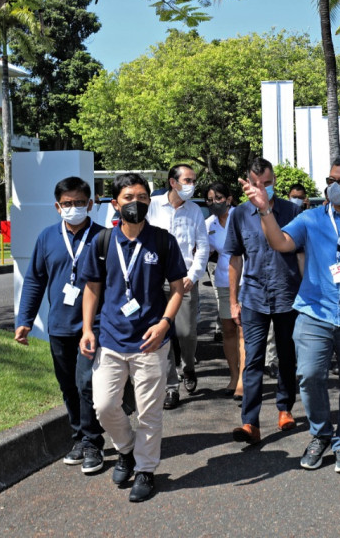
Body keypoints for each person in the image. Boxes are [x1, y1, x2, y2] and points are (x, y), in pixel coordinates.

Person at [240, 155, 340, 474]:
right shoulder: (310, 218)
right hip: (315, 312)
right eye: (330, 181)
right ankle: (320, 433)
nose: (334, 187)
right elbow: (280, 241)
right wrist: (265, 210)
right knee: (309, 375)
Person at [79, 173, 187, 503]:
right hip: (111, 340)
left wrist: (165, 323)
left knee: (149, 412)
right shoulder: (102, 242)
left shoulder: (163, 241)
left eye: (142, 197)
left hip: (151, 342)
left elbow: (178, 287)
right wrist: (87, 329)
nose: (135, 203)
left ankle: (145, 470)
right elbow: (92, 289)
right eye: (128, 198)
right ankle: (125, 449)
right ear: (115, 203)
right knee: (105, 406)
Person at [15, 176, 106, 474]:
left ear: (90, 204)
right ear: (57, 207)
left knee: (86, 384)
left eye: (80, 203)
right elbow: (34, 280)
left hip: (95, 327)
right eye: (67, 204)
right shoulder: (47, 238)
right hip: (59, 326)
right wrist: (25, 320)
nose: (74, 208)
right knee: (68, 387)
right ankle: (79, 437)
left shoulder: (103, 237)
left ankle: (93, 443)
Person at [225, 157, 303, 444]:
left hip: (287, 295)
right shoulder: (239, 214)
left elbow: (301, 255)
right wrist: (233, 301)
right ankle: (250, 422)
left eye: (267, 184)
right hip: (254, 296)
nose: (261, 189)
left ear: (274, 183)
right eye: (256, 184)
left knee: (286, 357)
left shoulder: (293, 210)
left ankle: (285, 408)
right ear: (247, 183)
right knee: (253, 360)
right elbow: (235, 259)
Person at [146, 164, 209, 410]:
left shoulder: (194, 211)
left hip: (184, 281)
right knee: (163, 335)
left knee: (185, 333)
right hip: (155, 280)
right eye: (187, 180)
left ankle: (189, 367)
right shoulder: (152, 205)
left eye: (193, 180)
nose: (192, 185)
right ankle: (171, 386)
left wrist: (193, 276)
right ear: (173, 182)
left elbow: (202, 246)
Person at [204, 182, 244, 397]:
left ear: (229, 199)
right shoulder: (208, 223)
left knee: (243, 330)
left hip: (246, 281)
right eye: (210, 199)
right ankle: (234, 376)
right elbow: (203, 251)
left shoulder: (243, 215)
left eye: (219, 198)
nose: (214, 202)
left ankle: (244, 381)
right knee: (228, 329)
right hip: (222, 282)